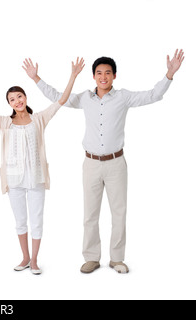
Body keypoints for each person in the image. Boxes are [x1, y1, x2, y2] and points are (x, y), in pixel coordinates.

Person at [23, 49, 185, 274]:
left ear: (114, 76)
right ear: (93, 76)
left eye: (108, 73)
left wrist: (169, 74)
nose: (103, 77)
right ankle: (91, 257)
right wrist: (35, 78)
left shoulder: (123, 97)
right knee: (90, 213)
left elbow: (152, 95)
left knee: (119, 212)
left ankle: (117, 259)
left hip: (116, 163)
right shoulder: (84, 99)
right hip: (90, 163)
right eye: (99, 73)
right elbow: (57, 96)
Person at [0, 58, 84, 274]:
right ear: (8, 104)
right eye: (12, 99)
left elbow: (61, 100)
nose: (17, 101)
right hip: (13, 179)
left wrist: (73, 76)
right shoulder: (4, 122)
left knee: (36, 220)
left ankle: (35, 259)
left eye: (19, 96)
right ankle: (25, 257)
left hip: (36, 177)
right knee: (20, 221)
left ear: (25, 98)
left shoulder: (39, 118)